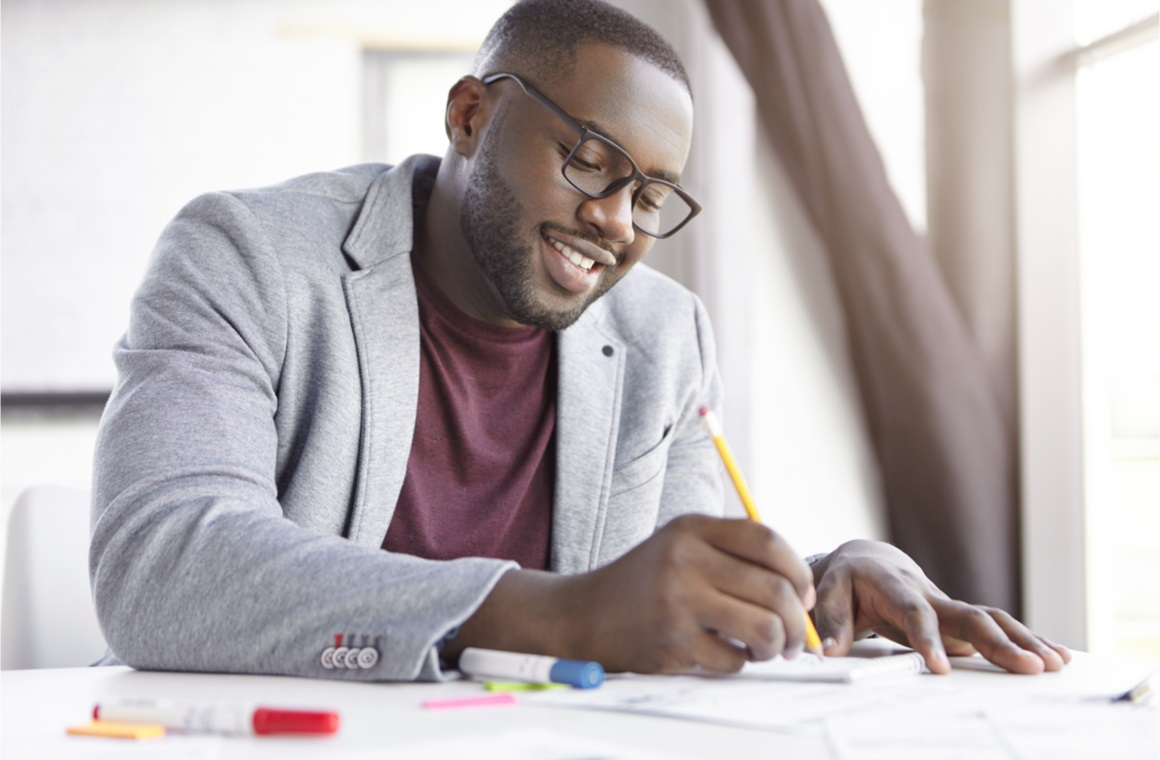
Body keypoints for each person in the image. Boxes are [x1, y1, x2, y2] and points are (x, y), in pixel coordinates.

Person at [91, 0, 1069, 682]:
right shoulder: (244, 256)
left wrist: (824, 579)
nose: (614, 220)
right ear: (470, 116)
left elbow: (662, 589)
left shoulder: (662, 335)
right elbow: (162, 564)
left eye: (649, 195)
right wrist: (553, 614)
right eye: (588, 162)